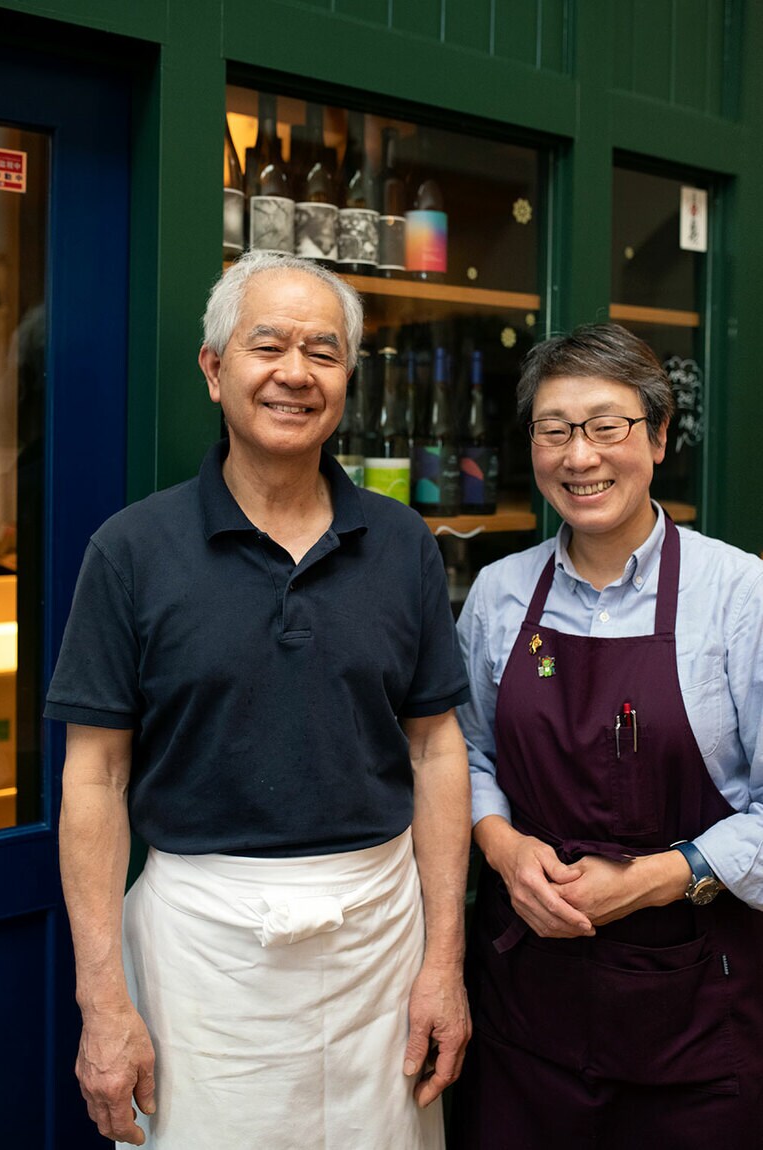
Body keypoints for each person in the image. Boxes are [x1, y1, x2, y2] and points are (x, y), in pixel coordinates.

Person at [46, 250, 472, 1149]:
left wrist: (445, 964)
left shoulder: (401, 545)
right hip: (199, 951)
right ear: (213, 369)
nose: (294, 373)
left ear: (348, 378)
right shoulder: (130, 550)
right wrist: (102, 1000)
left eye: (323, 351)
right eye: (266, 344)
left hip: (379, 944)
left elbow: (437, 753)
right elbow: (94, 779)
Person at [450, 323, 763, 1148]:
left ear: (658, 436)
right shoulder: (497, 595)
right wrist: (500, 847)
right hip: (526, 1011)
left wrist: (666, 875)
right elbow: (467, 751)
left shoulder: (739, 596)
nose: (578, 456)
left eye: (605, 426)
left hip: (696, 1019)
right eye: (554, 430)